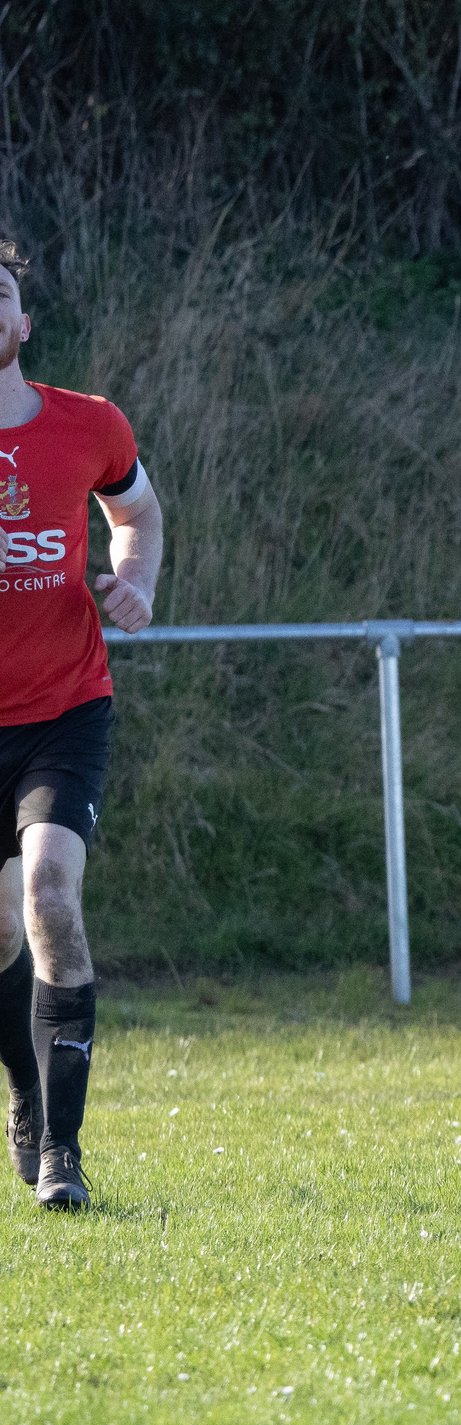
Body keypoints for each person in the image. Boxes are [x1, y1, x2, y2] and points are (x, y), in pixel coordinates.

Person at [0, 234, 166, 1210]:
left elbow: (138, 514)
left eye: (2, 293)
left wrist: (136, 583)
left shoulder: (87, 425)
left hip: (65, 710)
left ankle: (62, 1154)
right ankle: (27, 1095)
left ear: (23, 323)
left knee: (52, 895)